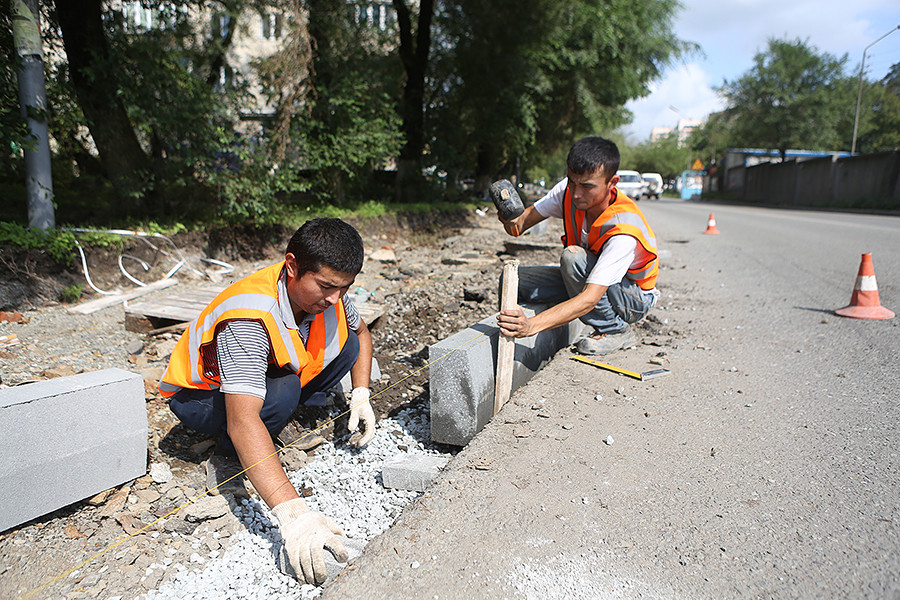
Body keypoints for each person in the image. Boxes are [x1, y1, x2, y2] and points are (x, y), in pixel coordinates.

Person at [158, 217, 376, 585]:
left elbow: (362, 333)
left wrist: (361, 394)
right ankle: (228, 457)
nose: (336, 298)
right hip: (199, 396)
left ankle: (279, 418)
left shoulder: (329, 292)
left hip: (264, 375)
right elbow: (243, 419)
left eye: (345, 287)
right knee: (280, 393)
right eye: (326, 286)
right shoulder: (249, 316)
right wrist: (295, 516)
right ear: (292, 266)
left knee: (347, 347)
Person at [497, 136, 659, 354]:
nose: (576, 193)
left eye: (587, 186)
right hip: (590, 281)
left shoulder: (623, 229)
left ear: (612, 183)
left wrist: (532, 326)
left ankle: (615, 331)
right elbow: (519, 225)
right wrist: (509, 216)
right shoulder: (567, 191)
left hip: (631, 297)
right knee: (518, 282)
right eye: (572, 181)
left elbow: (590, 299)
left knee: (572, 257)